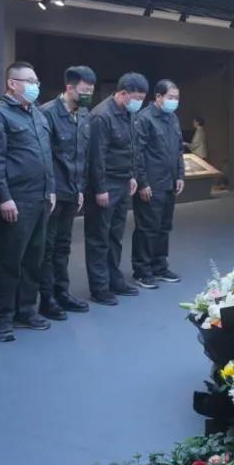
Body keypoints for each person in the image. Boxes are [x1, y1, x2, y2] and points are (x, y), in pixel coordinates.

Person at [0, 62, 56, 342]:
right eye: (29, 80)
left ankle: (26, 311)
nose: (35, 85)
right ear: (12, 84)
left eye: (36, 80)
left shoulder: (37, 114)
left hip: (41, 198)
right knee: (8, 262)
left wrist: (51, 188)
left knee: (33, 260)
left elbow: (46, 155)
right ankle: (3, 318)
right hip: (16, 199)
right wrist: (3, 197)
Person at [84, 72, 148, 306]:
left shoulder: (129, 114)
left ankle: (114, 280)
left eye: (142, 98)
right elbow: (97, 156)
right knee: (99, 237)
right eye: (136, 97)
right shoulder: (101, 116)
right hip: (105, 185)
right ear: (122, 93)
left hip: (122, 183)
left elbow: (131, 148)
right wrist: (100, 188)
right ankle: (99, 288)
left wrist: (132, 176)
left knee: (115, 236)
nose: (139, 102)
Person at [39, 65, 95, 319]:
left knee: (63, 246)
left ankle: (62, 292)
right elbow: (44, 157)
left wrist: (81, 188)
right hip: (53, 193)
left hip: (73, 192)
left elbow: (82, 154)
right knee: (48, 248)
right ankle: (46, 298)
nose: (87, 95)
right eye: (84, 90)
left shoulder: (83, 114)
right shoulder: (48, 113)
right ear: (69, 87)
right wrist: (50, 190)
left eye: (91, 91)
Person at [132, 80, 185, 289]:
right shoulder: (144, 118)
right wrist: (143, 183)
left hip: (169, 183)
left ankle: (159, 266)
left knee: (164, 227)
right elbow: (138, 153)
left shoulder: (173, 118)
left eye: (177, 98)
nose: (174, 101)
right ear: (158, 97)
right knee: (147, 228)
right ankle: (142, 270)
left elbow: (178, 150)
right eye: (171, 97)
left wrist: (180, 175)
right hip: (151, 185)